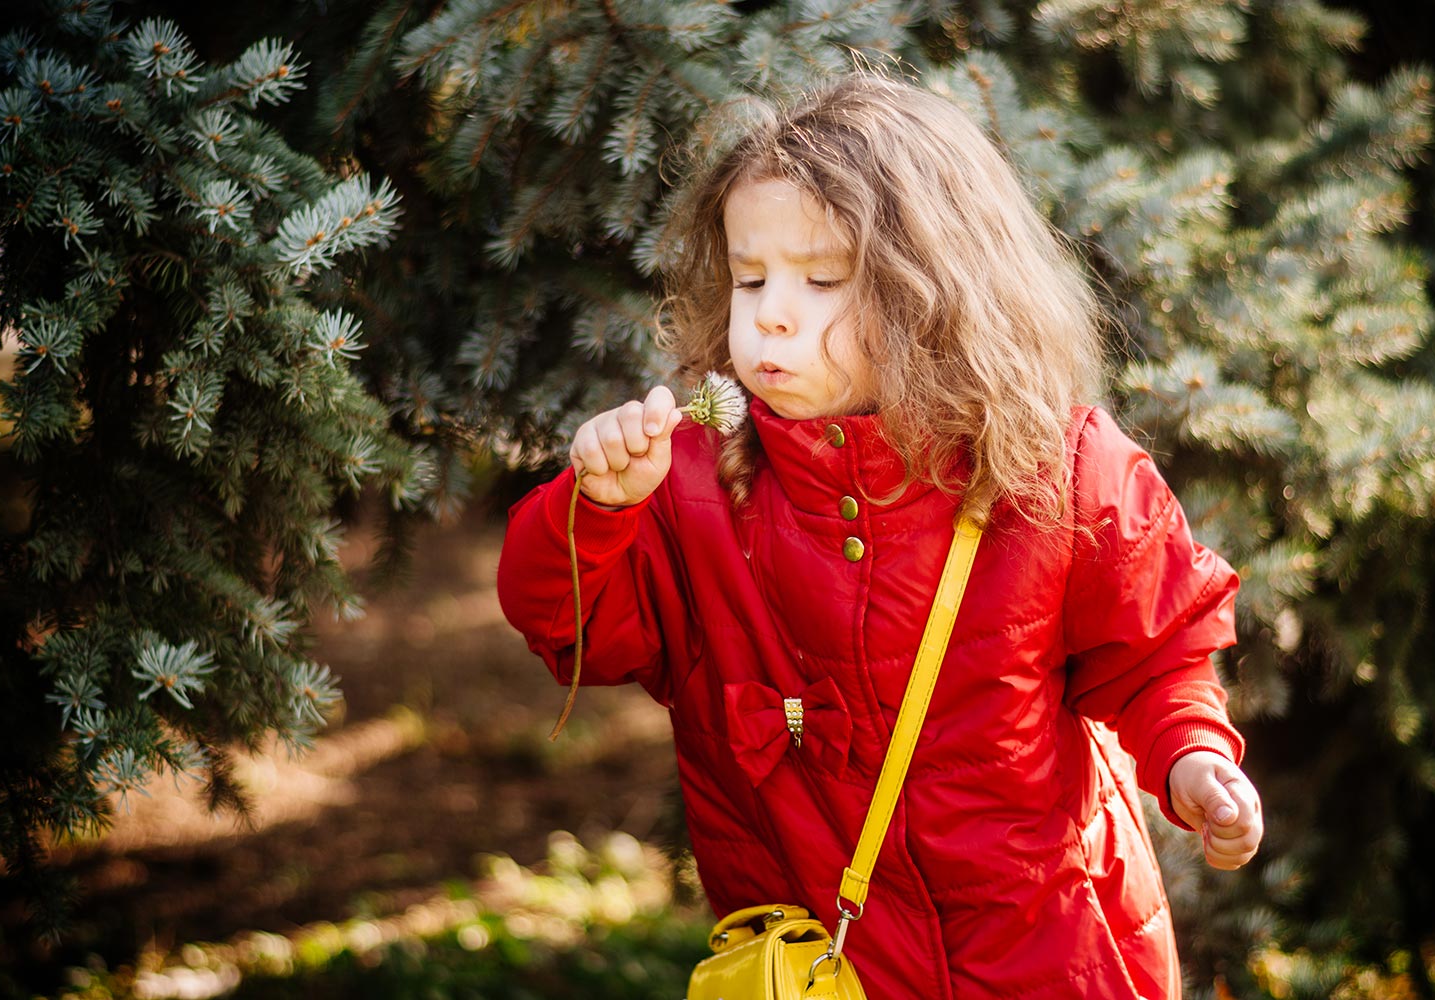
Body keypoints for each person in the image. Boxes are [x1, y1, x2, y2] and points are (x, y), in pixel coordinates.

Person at [497, 73, 1263, 1000]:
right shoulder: (691, 479)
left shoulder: (1052, 463)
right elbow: (573, 627)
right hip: (833, 972)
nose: (771, 310)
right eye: (750, 277)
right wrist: (596, 512)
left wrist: (1192, 755)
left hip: (1048, 957)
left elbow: (1157, 648)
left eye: (821, 279)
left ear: (930, 293)